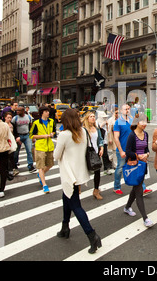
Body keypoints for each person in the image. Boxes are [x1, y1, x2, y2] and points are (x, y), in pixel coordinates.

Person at [53, 108, 102, 254]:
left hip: (69, 175)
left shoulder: (64, 135)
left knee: (76, 206)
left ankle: (92, 235)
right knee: (66, 198)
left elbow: (56, 155)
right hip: (80, 174)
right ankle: (65, 227)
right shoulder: (83, 132)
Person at [124, 114, 153, 227]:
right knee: (139, 191)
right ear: (137, 123)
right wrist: (138, 155)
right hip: (134, 166)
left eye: (146, 121)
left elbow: (146, 148)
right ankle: (145, 218)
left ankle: (127, 207)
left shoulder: (145, 134)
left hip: (143, 165)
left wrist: (147, 154)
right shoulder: (132, 135)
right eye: (142, 122)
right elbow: (128, 151)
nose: (144, 124)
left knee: (136, 188)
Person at [30, 106, 56, 194]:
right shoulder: (36, 123)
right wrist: (43, 136)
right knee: (40, 166)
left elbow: (54, 131)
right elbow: (32, 135)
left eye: (48, 111)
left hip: (49, 146)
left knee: (50, 164)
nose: (48, 113)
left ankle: (40, 175)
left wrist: (52, 134)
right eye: (46, 111)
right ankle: (44, 185)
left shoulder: (51, 121)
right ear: (42, 113)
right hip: (40, 146)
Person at [82, 110, 104, 200]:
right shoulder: (83, 129)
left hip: (96, 152)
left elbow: (100, 140)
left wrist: (101, 148)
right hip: (86, 153)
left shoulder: (97, 128)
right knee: (83, 171)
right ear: (87, 119)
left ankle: (96, 190)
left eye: (94, 116)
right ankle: (78, 187)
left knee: (97, 171)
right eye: (91, 116)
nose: (93, 118)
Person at [113, 103, 133, 195]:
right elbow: (116, 137)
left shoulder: (132, 120)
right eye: (125, 109)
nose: (127, 110)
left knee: (135, 167)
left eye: (128, 109)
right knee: (120, 168)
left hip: (132, 150)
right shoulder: (118, 122)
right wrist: (121, 151)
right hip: (123, 150)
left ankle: (141, 187)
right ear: (121, 111)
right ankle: (116, 187)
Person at [12, 107, 36, 173]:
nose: (17, 112)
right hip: (18, 136)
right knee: (16, 151)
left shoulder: (28, 117)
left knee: (29, 150)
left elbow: (31, 126)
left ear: (23, 111)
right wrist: (16, 137)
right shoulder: (15, 118)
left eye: (19, 110)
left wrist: (33, 136)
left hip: (27, 135)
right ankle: (15, 164)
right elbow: (13, 129)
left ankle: (30, 166)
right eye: (17, 110)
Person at [4, 111, 19, 177]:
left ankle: (12, 168)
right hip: (5, 142)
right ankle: (6, 169)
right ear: (5, 118)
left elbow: (15, 132)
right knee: (6, 156)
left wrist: (17, 137)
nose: (9, 119)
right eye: (8, 118)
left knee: (12, 156)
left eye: (10, 118)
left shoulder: (12, 124)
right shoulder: (3, 125)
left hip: (12, 142)